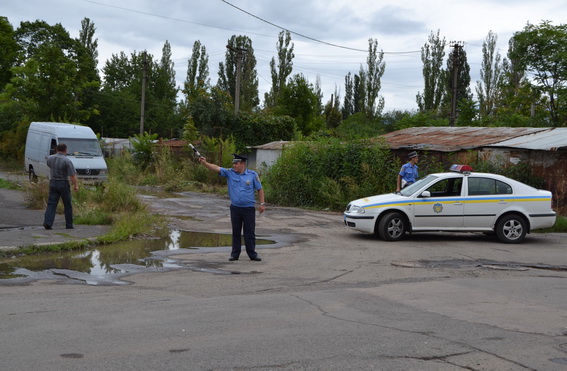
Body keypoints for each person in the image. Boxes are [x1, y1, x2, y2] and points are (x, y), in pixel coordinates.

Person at [199, 153, 265, 261]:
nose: (234, 165)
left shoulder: (252, 175)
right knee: (236, 232)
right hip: (235, 208)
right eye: (233, 163)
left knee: (249, 232)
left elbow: (260, 189)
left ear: (242, 164)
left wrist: (262, 204)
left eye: (236, 163)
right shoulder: (230, 173)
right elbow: (216, 168)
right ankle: (235, 254)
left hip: (248, 209)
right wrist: (205, 163)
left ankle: (252, 254)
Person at [43, 143, 79, 230]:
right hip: (63, 183)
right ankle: (69, 224)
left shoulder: (50, 158)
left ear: (56, 149)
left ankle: (48, 222)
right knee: (67, 204)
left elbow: (49, 165)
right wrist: (76, 185)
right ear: (65, 150)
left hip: (53, 182)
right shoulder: (67, 161)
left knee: (51, 204)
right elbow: (72, 175)